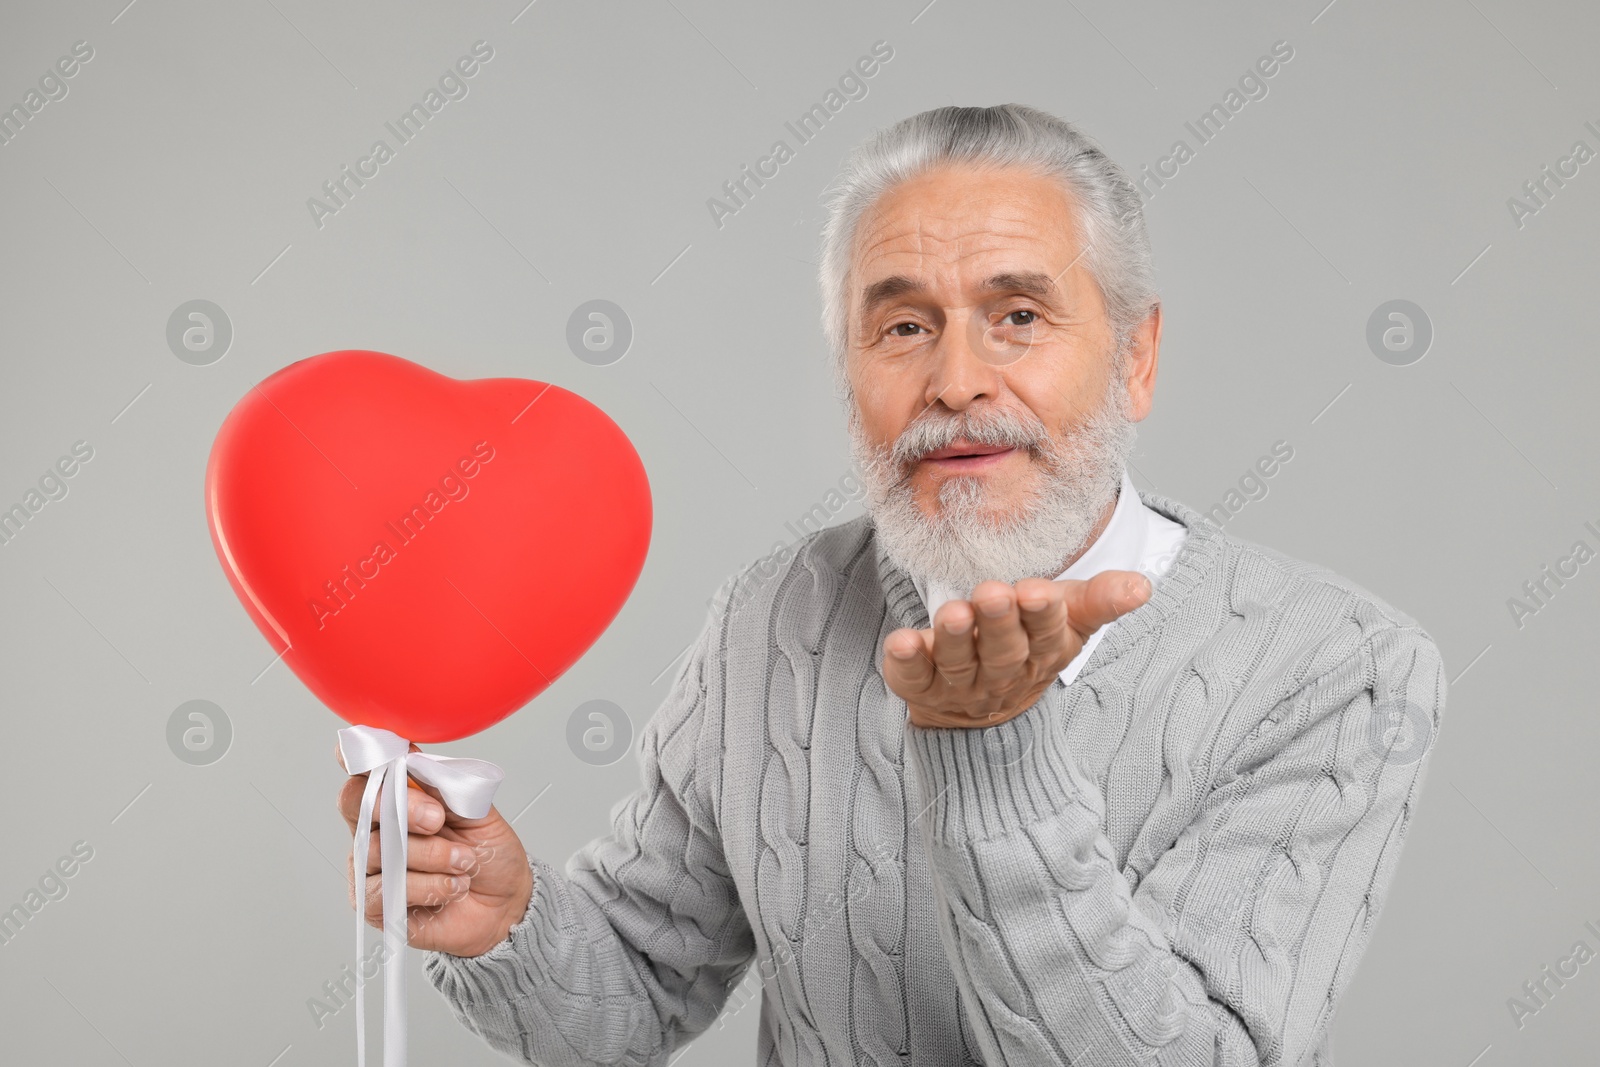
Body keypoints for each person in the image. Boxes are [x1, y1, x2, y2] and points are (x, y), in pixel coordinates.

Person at [336, 103, 1445, 1066]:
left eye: (1017, 316)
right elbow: (628, 1002)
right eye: (904, 326)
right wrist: (507, 919)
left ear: (1135, 356)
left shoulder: (1338, 665)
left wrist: (991, 750)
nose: (956, 382)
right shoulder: (771, 616)